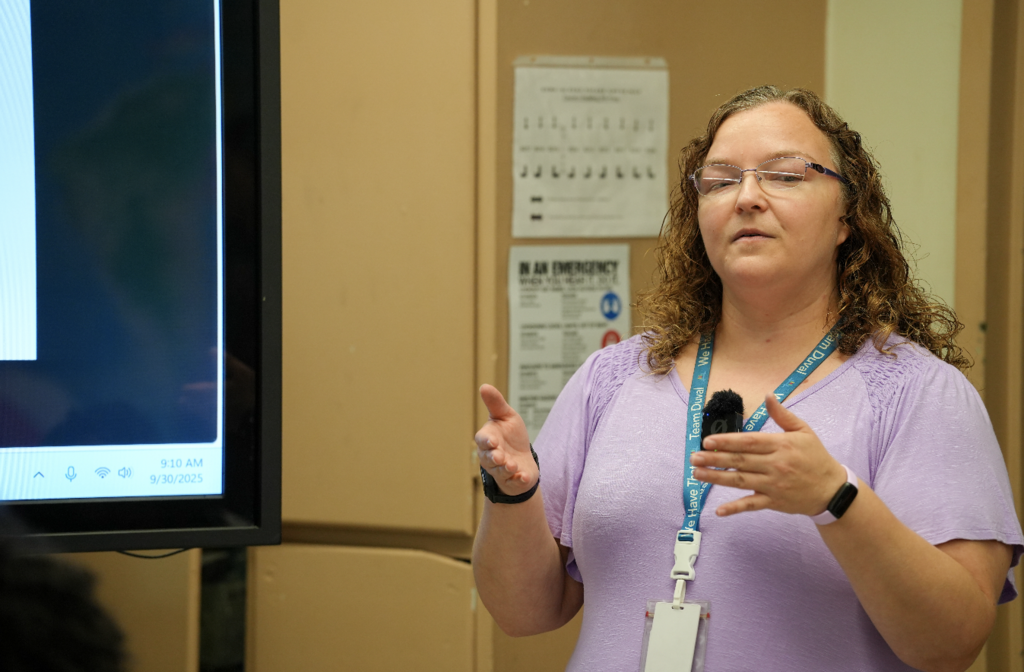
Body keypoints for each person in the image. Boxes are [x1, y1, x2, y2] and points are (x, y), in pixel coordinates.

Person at [472, 85, 1024, 672]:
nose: (748, 197)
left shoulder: (919, 392)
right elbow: (525, 613)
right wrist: (514, 494)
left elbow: (953, 643)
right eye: (720, 179)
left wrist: (837, 500)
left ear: (846, 218)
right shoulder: (614, 376)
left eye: (786, 175)